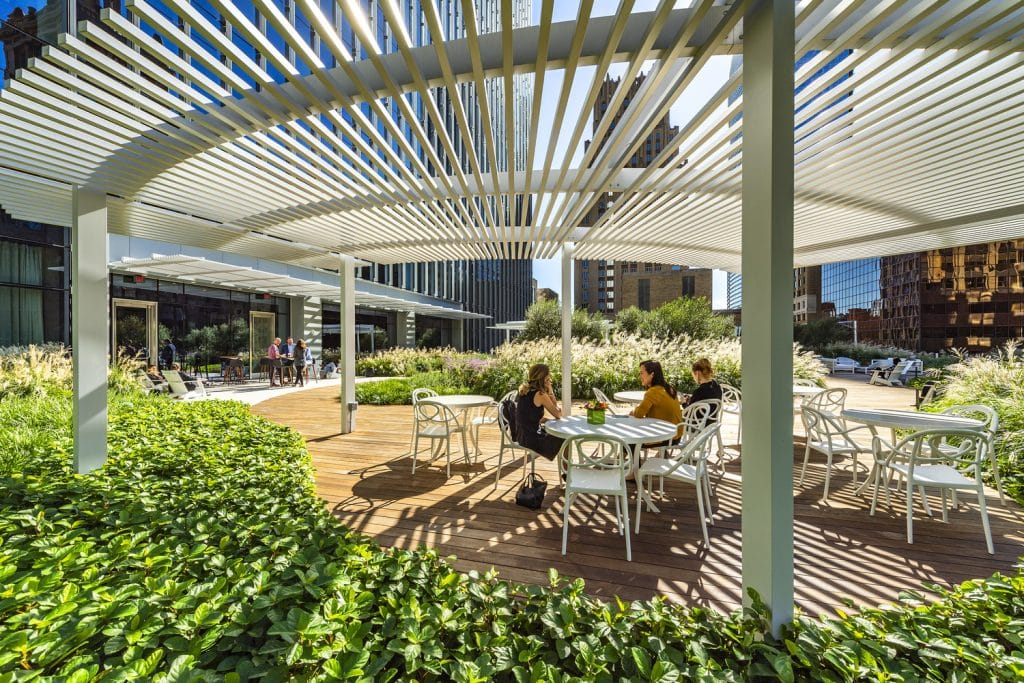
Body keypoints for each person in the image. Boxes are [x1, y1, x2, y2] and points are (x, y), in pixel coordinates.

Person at [515, 363, 565, 459]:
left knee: (556, 433)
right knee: (566, 436)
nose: (549, 379)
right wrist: (550, 391)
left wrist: (541, 419)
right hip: (532, 439)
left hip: (522, 435)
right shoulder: (540, 394)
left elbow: (527, 414)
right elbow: (558, 414)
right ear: (544, 379)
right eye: (548, 378)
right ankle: (566, 472)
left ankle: (566, 470)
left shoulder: (525, 390)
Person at [630, 359, 683, 441]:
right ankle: (663, 454)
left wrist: (633, 412)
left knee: (631, 439)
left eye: (642, 373)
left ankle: (624, 454)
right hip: (677, 435)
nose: (640, 376)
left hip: (665, 437)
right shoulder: (668, 388)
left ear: (652, 374)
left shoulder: (653, 391)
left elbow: (639, 414)